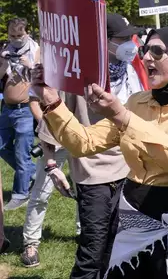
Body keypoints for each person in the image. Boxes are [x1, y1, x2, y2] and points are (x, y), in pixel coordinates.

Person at [31, 27, 168, 279]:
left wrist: (122, 117)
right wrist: (51, 100)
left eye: (158, 51)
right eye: (146, 50)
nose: (146, 57)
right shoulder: (138, 102)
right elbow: (84, 143)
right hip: (136, 212)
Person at [21, 14, 145, 274]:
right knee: (92, 249)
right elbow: (52, 118)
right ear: (105, 43)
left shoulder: (131, 71)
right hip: (93, 173)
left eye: (129, 38)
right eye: (121, 39)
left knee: (116, 245)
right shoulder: (79, 77)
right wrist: (52, 165)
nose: (129, 44)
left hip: (128, 170)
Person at [0, 18, 39, 210]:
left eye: (19, 35)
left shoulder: (36, 50)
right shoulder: (6, 49)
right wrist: (3, 61)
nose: (15, 39)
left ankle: (20, 194)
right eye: (12, 35)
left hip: (25, 109)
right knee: (1, 146)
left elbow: (47, 76)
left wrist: (30, 65)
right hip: (7, 108)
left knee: (21, 153)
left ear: (28, 33)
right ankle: (33, 173)